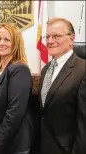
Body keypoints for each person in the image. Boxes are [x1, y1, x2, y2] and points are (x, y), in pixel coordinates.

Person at [39, 17, 86, 154]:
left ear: (72, 38)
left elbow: (84, 124)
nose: (50, 41)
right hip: (43, 146)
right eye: (47, 36)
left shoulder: (83, 70)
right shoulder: (46, 69)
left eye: (56, 36)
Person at [0, 23, 33, 154]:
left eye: (7, 39)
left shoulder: (19, 70)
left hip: (13, 146)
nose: (1, 43)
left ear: (16, 43)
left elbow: (14, 114)